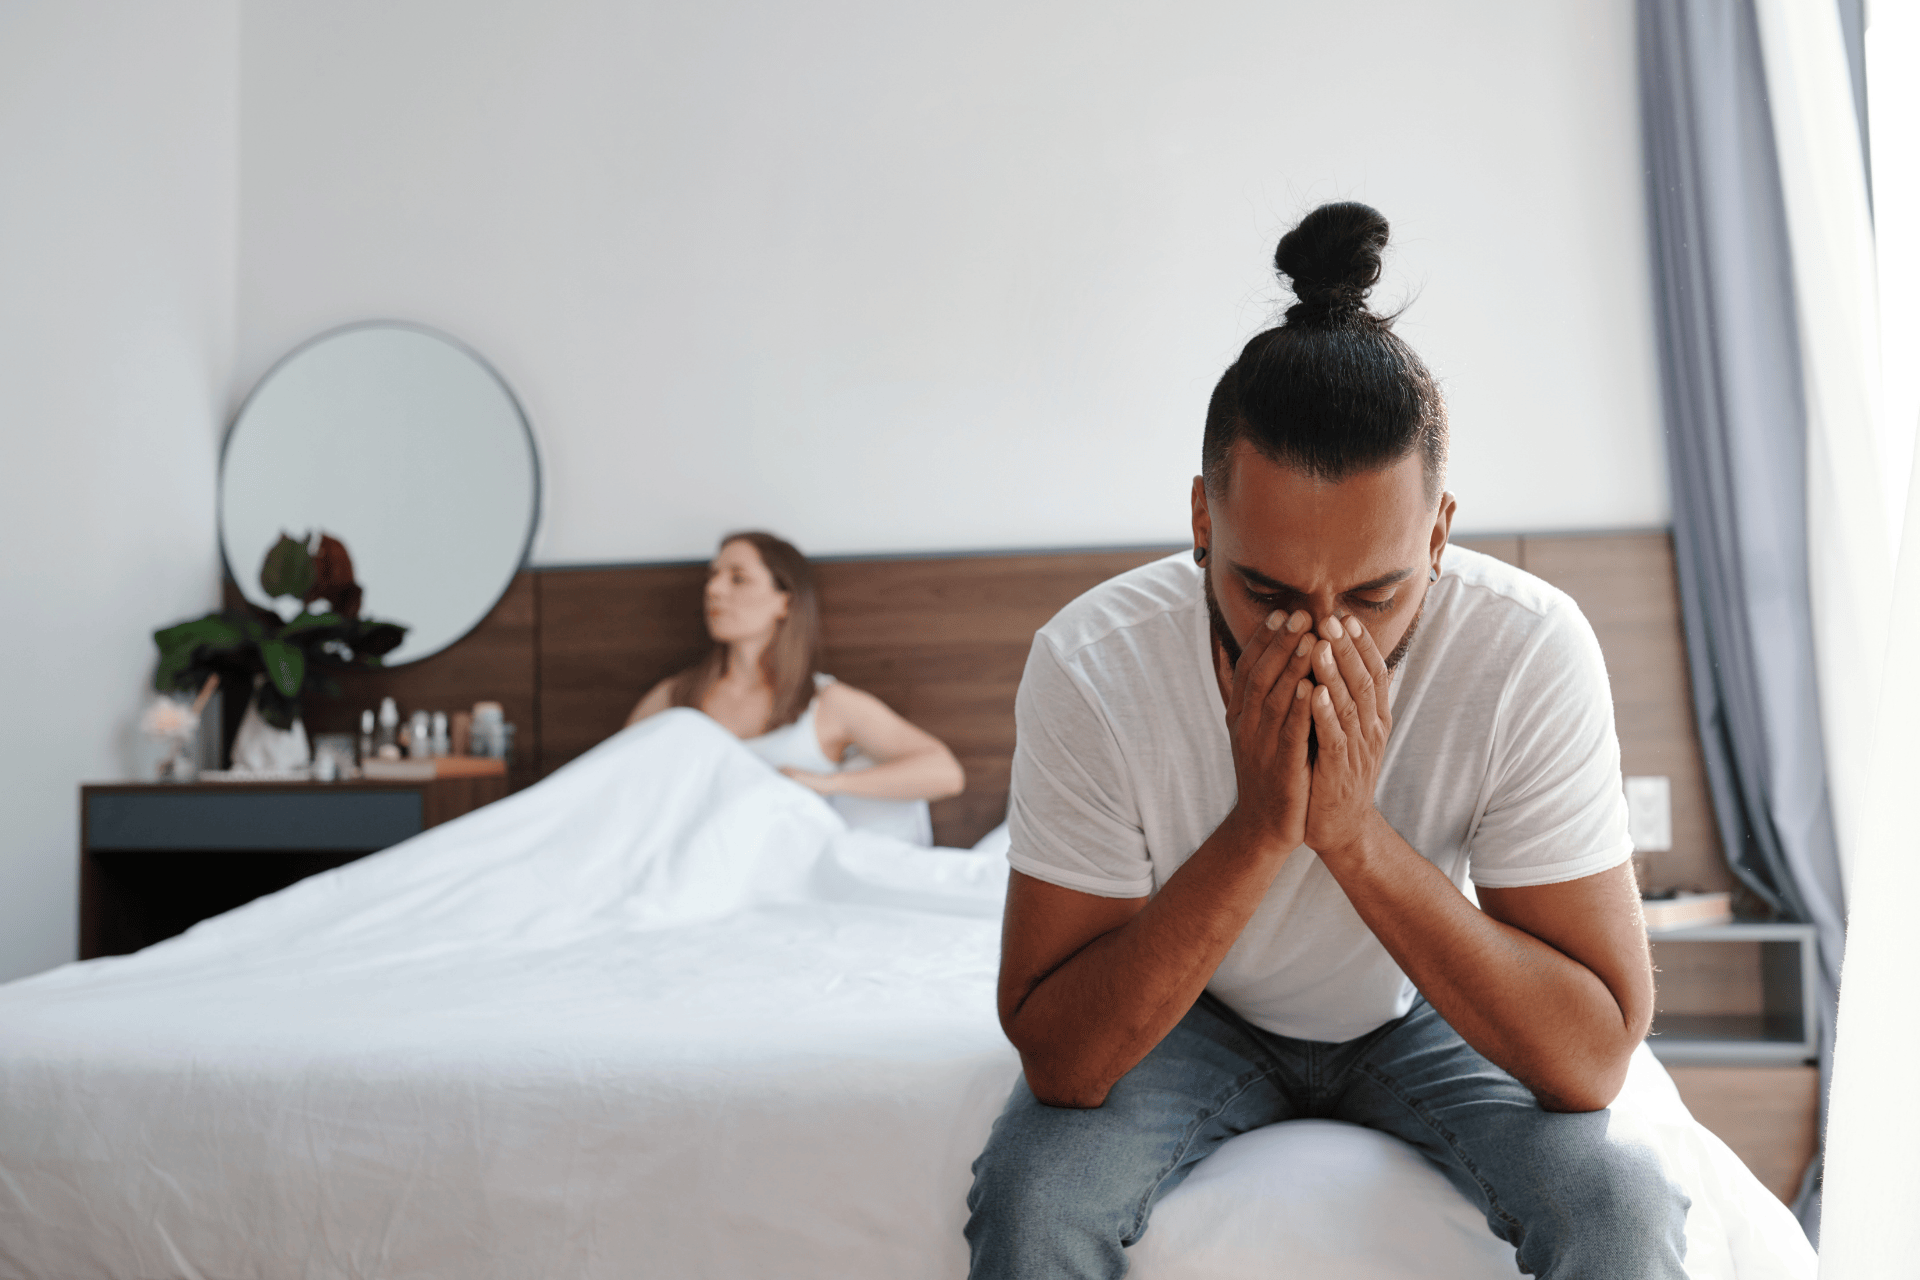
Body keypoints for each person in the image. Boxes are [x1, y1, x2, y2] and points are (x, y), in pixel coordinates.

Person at [965, 203, 1687, 1278]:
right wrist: (1262, 828)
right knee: (1037, 1195)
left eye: (1376, 595)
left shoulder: (1528, 650)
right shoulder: (1093, 662)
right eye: (1266, 593)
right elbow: (1063, 1059)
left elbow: (1590, 1059)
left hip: (1424, 1011)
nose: (1321, 637)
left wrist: (1350, 835)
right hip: (1190, 1014)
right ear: (1203, 521)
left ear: (1439, 534)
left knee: (1618, 1203)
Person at [625, 531, 965, 816]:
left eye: (738, 578)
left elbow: (945, 773)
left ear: (785, 602)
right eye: (712, 577)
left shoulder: (828, 704)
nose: (714, 590)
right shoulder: (673, 699)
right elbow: (616, 781)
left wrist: (825, 784)